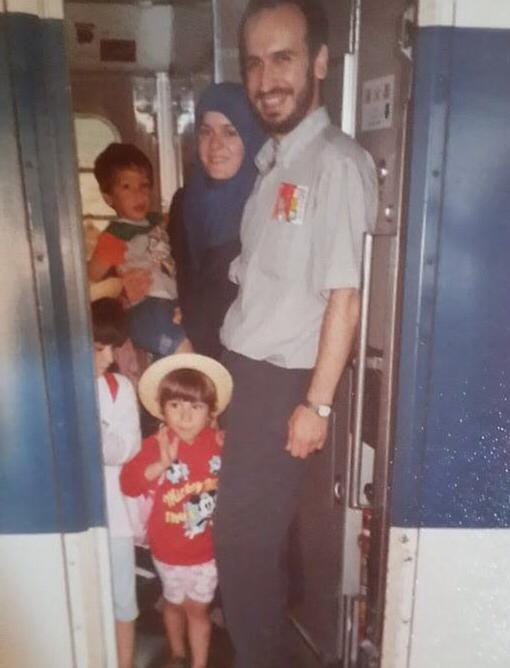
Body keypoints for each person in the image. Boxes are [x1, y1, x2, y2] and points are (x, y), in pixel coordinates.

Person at [213, 1, 378, 666]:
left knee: (243, 547)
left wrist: (317, 404)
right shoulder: (275, 163)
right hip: (252, 377)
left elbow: (347, 294)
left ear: (320, 63)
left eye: (283, 58)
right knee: (250, 550)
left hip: (287, 383)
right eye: (254, 63)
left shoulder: (334, 164)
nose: (265, 78)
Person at [120, 353, 233, 668]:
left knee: (198, 610)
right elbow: (129, 484)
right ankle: (178, 654)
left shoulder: (220, 443)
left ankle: (198, 664)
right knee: (172, 603)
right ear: (161, 408)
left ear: (210, 411)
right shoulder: (153, 445)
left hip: (206, 551)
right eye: (175, 405)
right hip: (167, 549)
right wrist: (162, 463)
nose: (184, 417)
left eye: (195, 407)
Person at [169, 82, 266, 359]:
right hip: (192, 356)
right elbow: (177, 276)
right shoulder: (184, 203)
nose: (215, 145)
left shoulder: (266, 205)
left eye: (230, 132)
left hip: (248, 359)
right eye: (205, 132)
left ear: (251, 135)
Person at [88, 142, 191, 357]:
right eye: (126, 187)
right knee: (185, 354)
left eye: (144, 186)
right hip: (145, 307)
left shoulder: (158, 222)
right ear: (108, 198)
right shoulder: (114, 236)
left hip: (171, 303)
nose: (138, 195)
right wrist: (119, 284)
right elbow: (91, 279)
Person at [91, 294, 142, 668]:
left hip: (115, 518)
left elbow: (127, 448)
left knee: (123, 601)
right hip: (73, 521)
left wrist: (93, 431)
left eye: (113, 347)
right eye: (98, 348)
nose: (109, 357)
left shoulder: (119, 388)